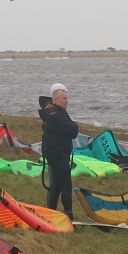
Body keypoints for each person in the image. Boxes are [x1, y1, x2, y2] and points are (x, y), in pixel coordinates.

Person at [38, 83, 78, 219]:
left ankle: (50, 215)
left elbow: (71, 127)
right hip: (57, 155)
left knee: (56, 186)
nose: (67, 101)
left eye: (67, 98)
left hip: (59, 153)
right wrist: (72, 127)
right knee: (66, 185)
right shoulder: (54, 115)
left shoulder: (58, 112)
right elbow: (73, 130)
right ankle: (69, 217)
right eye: (64, 99)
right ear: (55, 100)